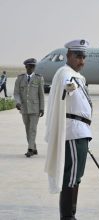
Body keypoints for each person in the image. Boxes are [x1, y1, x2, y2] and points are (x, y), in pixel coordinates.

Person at [44, 39, 92, 220]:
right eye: (78, 56)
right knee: (70, 177)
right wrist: (69, 85)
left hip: (82, 132)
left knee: (76, 177)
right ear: (69, 56)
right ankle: (66, 216)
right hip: (72, 132)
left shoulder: (77, 75)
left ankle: (72, 214)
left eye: (83, 57)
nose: (82, 61)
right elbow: (67, 86)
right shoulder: (65, 73)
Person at [13, 58, 45, 157]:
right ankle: (34, 147)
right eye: (30, 66)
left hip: (35, 108)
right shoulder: (20, 78)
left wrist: (42, 108)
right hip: (24, 108)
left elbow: (41, 94)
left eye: (33, 66)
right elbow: (16, 93)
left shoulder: (39, 78)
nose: (32, 68)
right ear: (26, 67)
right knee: (27, 128)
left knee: (32, 129)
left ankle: (30, 148)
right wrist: (18, 103)